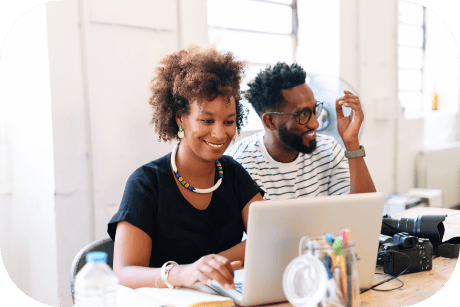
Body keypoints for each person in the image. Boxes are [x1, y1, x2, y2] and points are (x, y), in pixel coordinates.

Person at [107, 45, 264, 290]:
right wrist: (183, 273)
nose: (219, 133)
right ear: (180, 117)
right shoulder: (146, 183)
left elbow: (266, 237)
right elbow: (124, 273)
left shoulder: (232, 173)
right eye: (207, 120)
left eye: (229, 121)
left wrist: (210, 267)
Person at [227, 62, 376, 200]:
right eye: (302, 114)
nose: (315, 124)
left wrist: (351, 144)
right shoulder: (241, 163)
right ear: (270, 121)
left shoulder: (328, 149)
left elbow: (365, 210)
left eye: (314, 110)